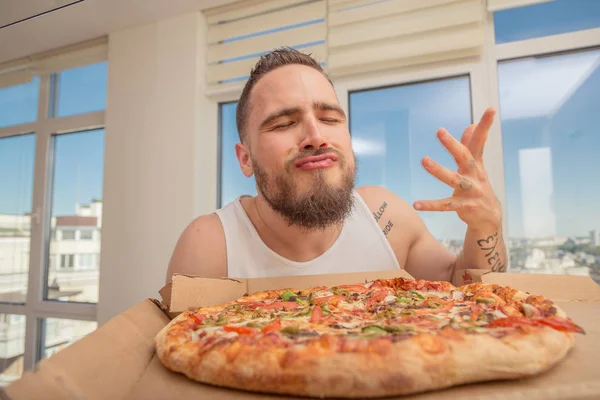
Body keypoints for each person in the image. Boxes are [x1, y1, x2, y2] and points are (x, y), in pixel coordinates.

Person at [166, 47, 506, 283]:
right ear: (245, 159)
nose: (316, 136)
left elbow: (467, 292)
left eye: (329, 118)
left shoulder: (386, 216)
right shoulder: (209, 248)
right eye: (284, 123)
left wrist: (485, 229)